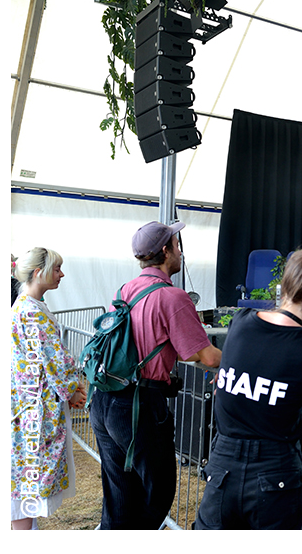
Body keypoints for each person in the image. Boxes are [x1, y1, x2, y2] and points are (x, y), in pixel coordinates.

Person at [195, 240, 302, 530]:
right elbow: (296, 372)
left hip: (222, 465)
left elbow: (274, 350)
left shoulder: (240, 323)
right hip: (275, 471)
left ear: (284, 285)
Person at [89, 221, 222, 529]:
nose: (180, 252)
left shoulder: (125, 290)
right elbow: (204, 356)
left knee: (119, 496)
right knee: (158, 493)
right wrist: (244, 360)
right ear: (166, 251)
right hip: (140, 406)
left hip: (105, 399)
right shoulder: (173, 297)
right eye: (178, 246)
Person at [11, 247, 87, 530]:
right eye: (57, 269)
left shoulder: (25, 306)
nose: (62, 274)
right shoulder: (33, 313)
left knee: (24, 476)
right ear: (38, 273)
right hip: (36, 406)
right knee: (29, 478)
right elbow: (54, 361)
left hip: (27, 401)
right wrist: (73, 390)